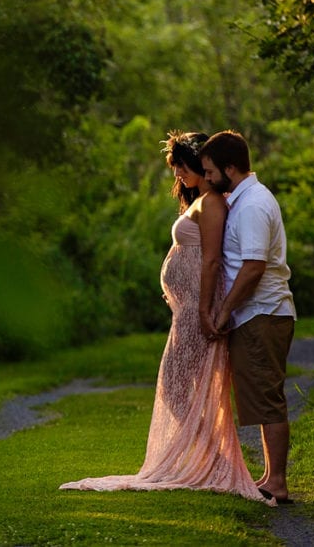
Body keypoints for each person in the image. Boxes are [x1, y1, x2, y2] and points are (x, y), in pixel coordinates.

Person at [59, 131, 268, 503]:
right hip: (186, 309)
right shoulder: (203, 200)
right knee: (176, 387)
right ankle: (216, 457)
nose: (179, 177)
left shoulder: (212, 203)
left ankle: (217, 459)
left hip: (195, 312)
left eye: (182, 169)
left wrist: (205, 309)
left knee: (175, 386)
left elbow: (211, 260)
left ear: (200, 166)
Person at [199, 130, 296, 505]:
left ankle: (279, 483)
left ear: (229, 167)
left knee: (267, 396)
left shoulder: (253, 204)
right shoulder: (243, 199)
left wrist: (224, 310)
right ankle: (271, 477)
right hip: (258, 313)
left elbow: (253, 266)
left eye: (210, 172)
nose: (206, 179)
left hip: (262, 312)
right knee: (259, 395)